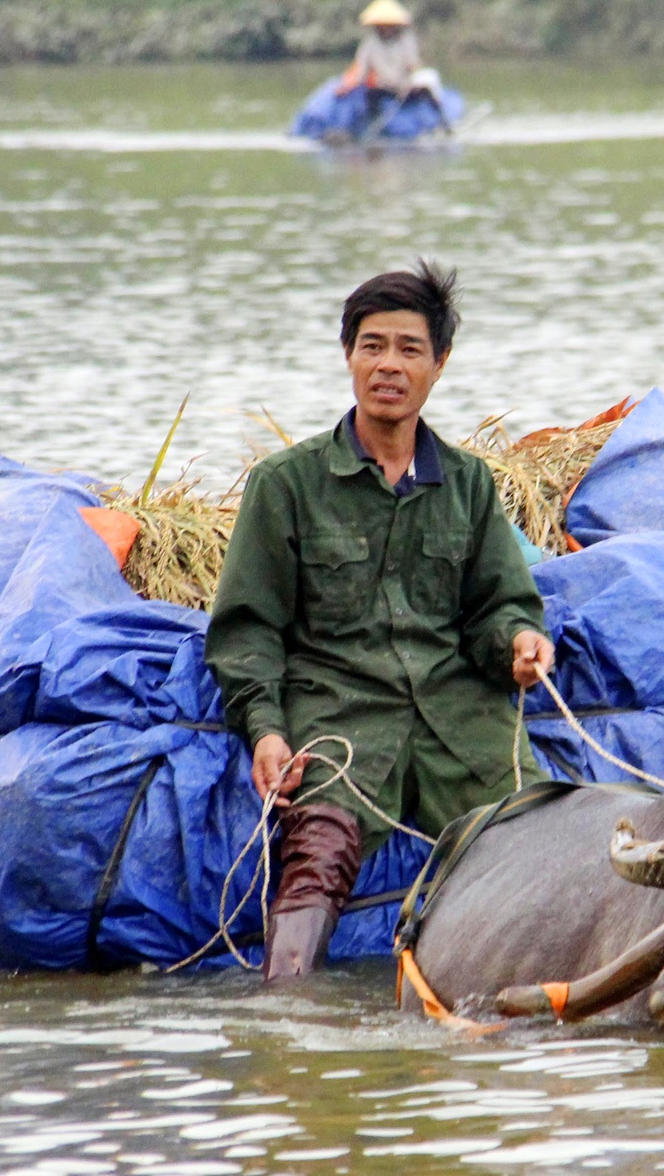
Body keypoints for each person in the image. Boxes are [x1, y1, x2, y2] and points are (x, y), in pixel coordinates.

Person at [205, 261, 555, 981]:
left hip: (459, 718)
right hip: (341, 714)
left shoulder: (468, 485)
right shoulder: (286, 486)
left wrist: (520, 644)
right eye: (371, 345)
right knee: (320, 852)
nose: (388, 365)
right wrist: (266, 730)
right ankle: (289, 1012)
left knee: (539, 836)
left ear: (439, 364)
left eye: (408, 348)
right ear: (348, 356)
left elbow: (501, 607)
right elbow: (246, 630)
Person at [338, 0, 430, 116]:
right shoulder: (369, 44)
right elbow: (362, 72)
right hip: (384, 87)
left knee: (426, 93)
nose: (386, 28)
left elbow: (413, 64)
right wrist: (348, 87)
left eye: (389, 25)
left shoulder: (406, 40)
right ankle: (373, 121)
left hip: (404, 87)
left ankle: (444, 124)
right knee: (371, 96)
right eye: (382, 25)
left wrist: (411, 80)